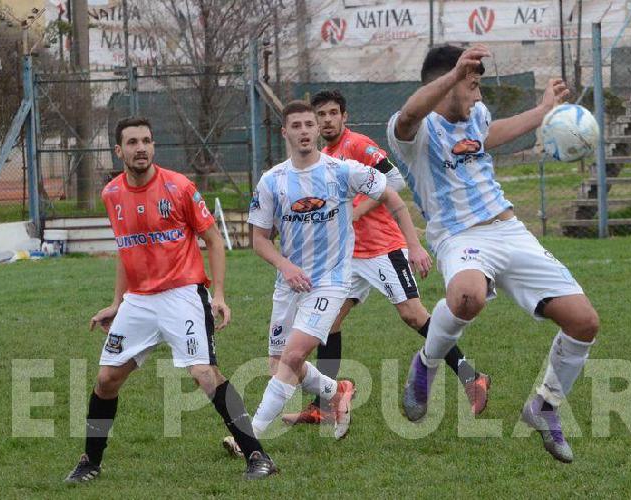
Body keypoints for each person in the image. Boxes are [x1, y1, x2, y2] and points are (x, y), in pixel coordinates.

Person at [387, 45, 601, 464]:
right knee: (468, 296)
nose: (479, 95)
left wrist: (543, 110)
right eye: (473, 84)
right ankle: (427, 363)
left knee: (584, 322)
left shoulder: (476, 115)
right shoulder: (412, 130)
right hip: (457, 234)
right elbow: (411, 115)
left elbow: (492, 133)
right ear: (445, 83)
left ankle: (544, 406)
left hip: (510, 230)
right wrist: (455, 77)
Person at [64, 117, 277, 483]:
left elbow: (213, 240)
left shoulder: (179, 187)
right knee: (106, 379)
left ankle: (258, 456)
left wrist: (220, 294)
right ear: (119, 151)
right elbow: (125, 250)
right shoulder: (111, 194)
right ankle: (90, 463)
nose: (141, 148)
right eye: (132, 142)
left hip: (183, 294)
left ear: (153, 146)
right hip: (139, 300)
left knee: (204, 374)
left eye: (146, 140)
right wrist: (117, 303)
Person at [224, 100, 432, 455]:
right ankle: (337, 392)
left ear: (317, 131)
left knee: (291, 357)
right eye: (297, 125)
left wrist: (414, 246)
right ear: (285, 132)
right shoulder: (272, 181)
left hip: (331, 282)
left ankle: (250, 437)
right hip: (289, 285)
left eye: (310, 124)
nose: (305, 130)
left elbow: (394, 197)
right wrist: (286, 267)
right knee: (280, 362)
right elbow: (259, 240)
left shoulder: (342, 171)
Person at [280, 89, 490, 427]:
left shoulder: (357, 145)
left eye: (334, 113)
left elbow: (395, 179)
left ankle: (472, 376)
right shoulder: (324, 156)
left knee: (412, 315)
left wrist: (362, 213)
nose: (328, 120)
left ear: (344, 117)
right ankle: (323, 405)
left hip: (382, 249)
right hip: (347, 257)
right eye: (321, 115)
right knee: (328, 323)